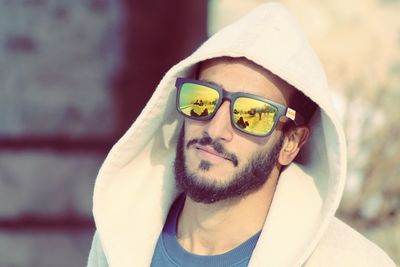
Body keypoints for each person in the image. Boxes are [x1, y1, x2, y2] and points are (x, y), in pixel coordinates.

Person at [87, 3, 396, 267]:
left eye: (251, 114)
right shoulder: (119, 240)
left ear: (290, 142)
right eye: (202, 100)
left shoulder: (349, 261)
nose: (215, 129)